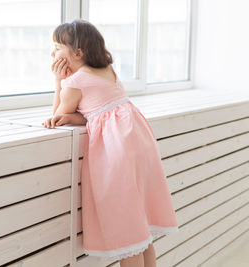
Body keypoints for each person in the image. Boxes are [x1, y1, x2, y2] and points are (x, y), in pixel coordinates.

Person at [42, 19, 179, 267]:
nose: (53, 53)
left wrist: (57, 81)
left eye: (57, 47)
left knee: (127, 235)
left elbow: (56, 115)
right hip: (138, 140)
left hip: (117, 152)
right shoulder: (108, 71)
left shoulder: (74, 82)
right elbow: (96, 110)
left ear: (78, 52)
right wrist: (75, 116)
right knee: (142, 232)